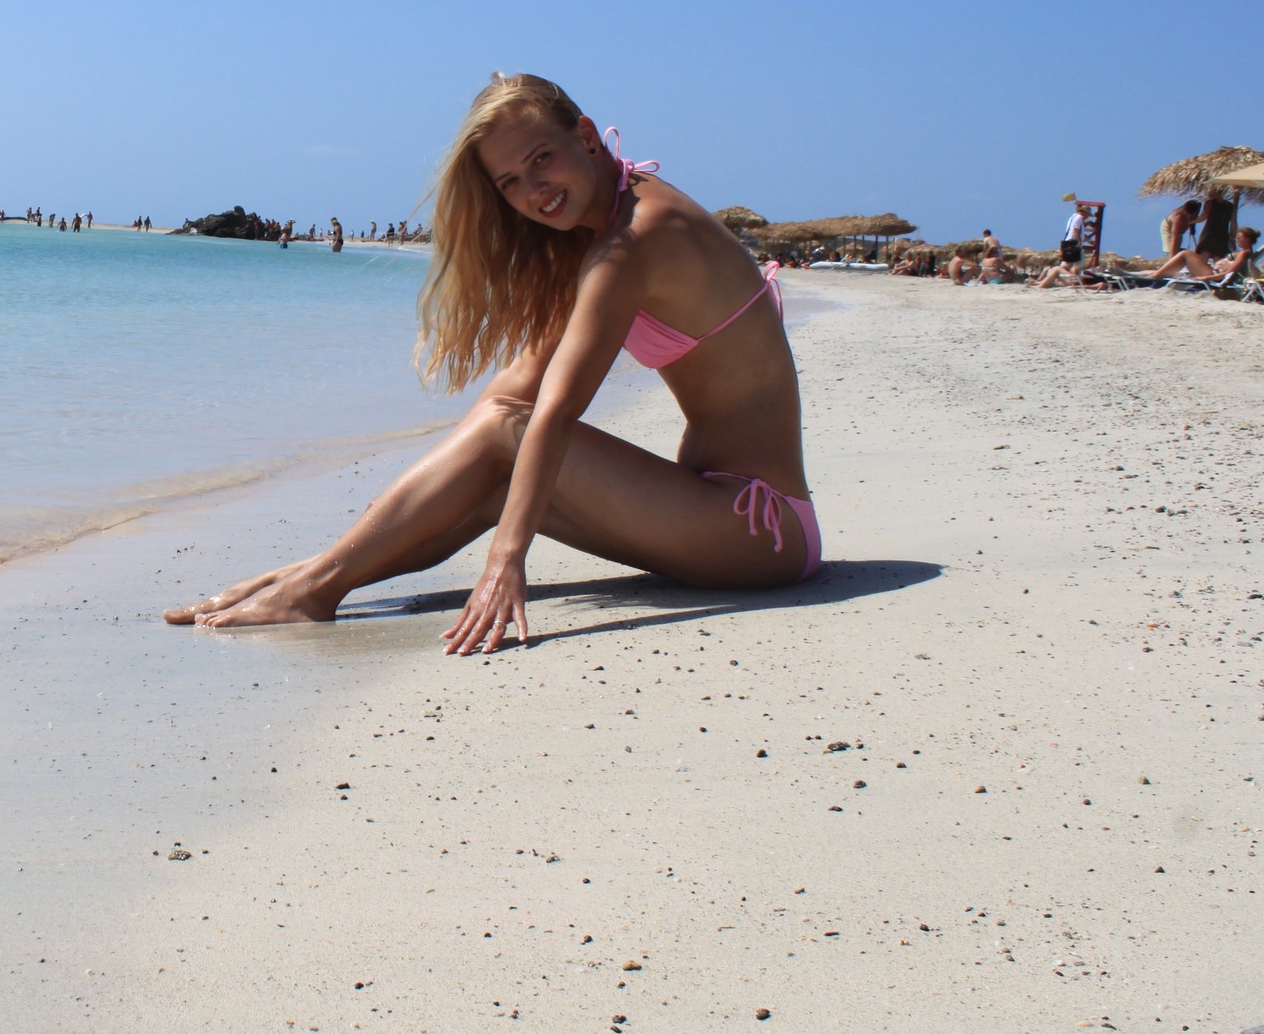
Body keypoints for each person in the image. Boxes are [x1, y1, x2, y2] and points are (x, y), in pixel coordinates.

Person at [165, 73, 816, 651]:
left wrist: (508, 559)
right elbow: (513, 391)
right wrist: (363, 535)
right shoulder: (602, 227)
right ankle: (311, 580)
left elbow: (549, 412)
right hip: (714, 512)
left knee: (510, 436)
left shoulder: (637, 240)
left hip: (760, 525)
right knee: (493, 485)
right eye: (510, 182)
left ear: (586, 136)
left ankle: (314, 588)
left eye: (541, 158)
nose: (535, 190)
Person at [1152, 225, 1259, 283]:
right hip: (1213, 273)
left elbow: (1228, 273)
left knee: (1186, 253)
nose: (1237, 240)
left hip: (1213, 276)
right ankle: (1158, 274)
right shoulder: (1246, 253)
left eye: (1239, 238)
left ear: (1248, 239)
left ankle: (1156, 276)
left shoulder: (1244, 253)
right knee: (1186, 256)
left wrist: (1205, 278)